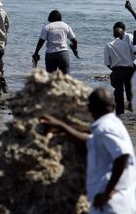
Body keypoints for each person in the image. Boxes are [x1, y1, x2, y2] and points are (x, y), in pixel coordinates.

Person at [42, 86, 136, 214]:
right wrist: (62, 127)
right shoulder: (112, 124)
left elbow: (122, 156)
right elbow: (91, 141)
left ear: (91, 108)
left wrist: (107, 193)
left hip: (112, 204)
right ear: (113, 106)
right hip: (113, 203)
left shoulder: (105, 127)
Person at [32, 10, 79, 74]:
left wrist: (36, 53)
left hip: (51, 55)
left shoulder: (47, 27)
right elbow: (74, 41)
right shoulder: (66, 26)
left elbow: (41, 41)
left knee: (51, 78)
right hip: (63, 54)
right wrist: (75, 48)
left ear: (51, 18)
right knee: (66, 78)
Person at [104, 22, 135, 116]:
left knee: (118, 92)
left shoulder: (108, 45)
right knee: (130, 90)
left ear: (113, 35)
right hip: (129, 70)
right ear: (122, 34)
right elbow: (132, 57)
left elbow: (107, 63)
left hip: (117, 71)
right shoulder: (127, 45)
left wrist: (114, 69)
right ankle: (132, 110)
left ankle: (119, 113)